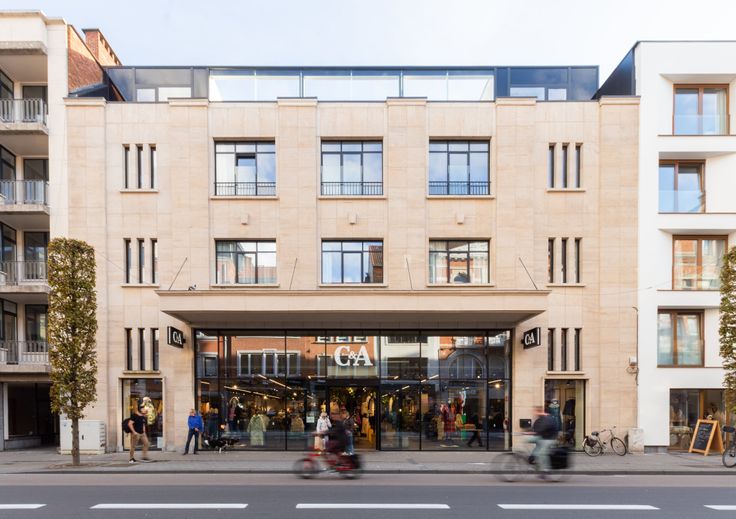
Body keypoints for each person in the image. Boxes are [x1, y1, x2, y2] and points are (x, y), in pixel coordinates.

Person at [530, 406, 559, 474]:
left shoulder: (548, 418)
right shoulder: (539, 419)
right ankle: (537, 466)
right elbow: (535, 428)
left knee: (542, 453)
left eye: (536, 412)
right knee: (536, 453)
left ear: (540, 411)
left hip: (549, 439)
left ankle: (546, 468)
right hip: (542, 438)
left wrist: (536, 433)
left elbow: (543, 429)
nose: (535, 413)